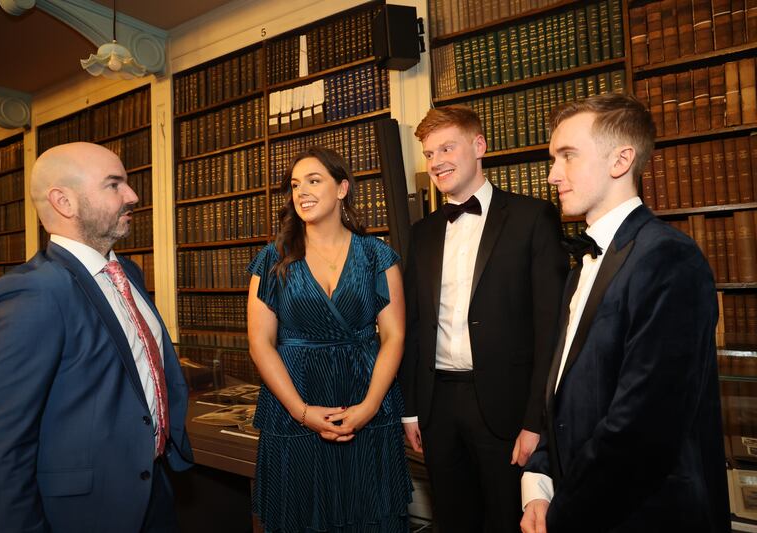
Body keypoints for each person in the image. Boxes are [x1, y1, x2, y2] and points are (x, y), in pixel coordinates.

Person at [521, 93, 730, 533]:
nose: (552, 174)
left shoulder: (670, 259)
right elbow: (562, 391)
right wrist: (538, 484)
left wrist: (562, 514)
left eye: (568, 156)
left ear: (621, 160)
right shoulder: (581, 265)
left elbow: (642, 430)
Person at [0, 142, 193, 533]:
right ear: (64, 202)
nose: (133, 195)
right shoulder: (31, 295)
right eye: (114, 184)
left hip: (152, 491)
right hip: (87, 513)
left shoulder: (128, 273)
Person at [399, 105, 568, 532]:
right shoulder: (421, 234)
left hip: (506, 408)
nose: (436, 161)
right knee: (452, 520)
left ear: (479, 146)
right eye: (429, 153)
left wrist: (536, 421)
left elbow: (552, 328)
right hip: (437, 405)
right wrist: (411, 410)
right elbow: (414, 326)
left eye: (447, 147)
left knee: (506, 521)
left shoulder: (533, 218)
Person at [247, 146, 412, 531]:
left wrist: (369, 406)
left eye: (314, 180)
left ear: (342, 188)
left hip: (367, 405)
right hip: (294, 407)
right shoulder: (272, 260)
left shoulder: (377, 255)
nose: (301, 191)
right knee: (300, 518)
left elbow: (394, 335)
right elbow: (260, 343)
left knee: (371, 518)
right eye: (294, 184)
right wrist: (301, 411)